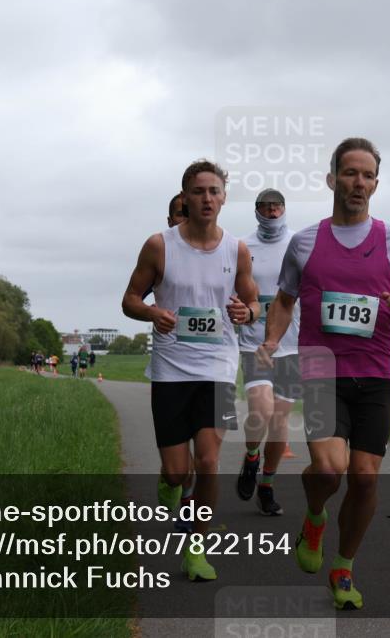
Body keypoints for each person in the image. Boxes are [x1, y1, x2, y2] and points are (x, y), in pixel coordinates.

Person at [256, 138, 390, 610]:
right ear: (332, 178)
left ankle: (344, 566)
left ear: (376, 183)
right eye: (351, 173)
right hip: (321, 369)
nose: (359, 183)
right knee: (332, 469)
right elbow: (284, 299)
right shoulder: (305, 242)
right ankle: (315, 515)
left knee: (365, 478)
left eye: (368, 175)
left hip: (376, 372)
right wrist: (273, 340)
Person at [122, 158, 260, 582]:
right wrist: (151, 313)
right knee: (178, 470)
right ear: (185, 197)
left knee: (209, 459)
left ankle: (197, 549)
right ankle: (170, 482)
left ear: (223, 198)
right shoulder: (159, 245)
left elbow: (254, 306)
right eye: (198, 191)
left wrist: (244, 311)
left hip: (218, 366)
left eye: (214, 191)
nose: (206, 198)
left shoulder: (236, 249)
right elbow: (129, 299)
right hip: (170, 369)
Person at [236, 188, 302, 517]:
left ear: (285, 210)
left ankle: (267, 485)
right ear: (257, 211)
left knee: (279, 422)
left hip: (292, 345)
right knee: (260, 411)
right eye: (266, 208)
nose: (272, 213)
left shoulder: (300, 243)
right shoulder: (243, 247)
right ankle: (251, 458)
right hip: (254, 342)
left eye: (277, 207)